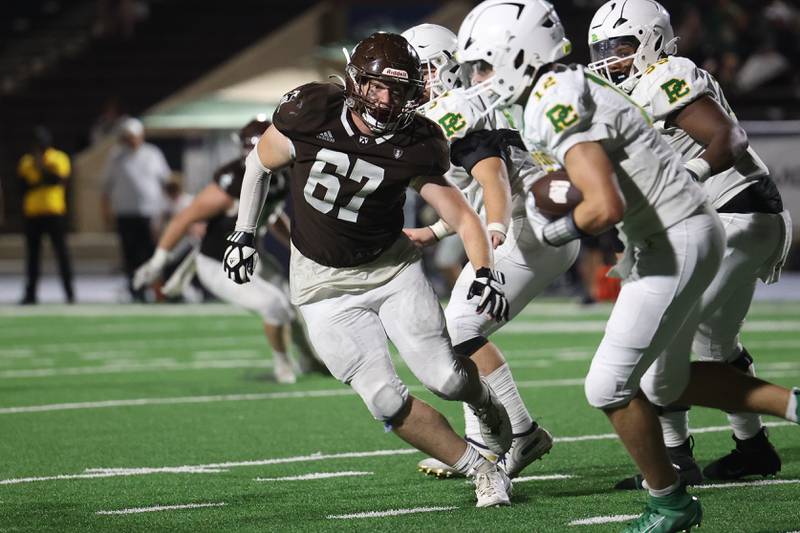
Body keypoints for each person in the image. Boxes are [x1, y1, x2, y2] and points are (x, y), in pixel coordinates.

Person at [457, 1, 799, 531]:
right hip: (675, 230)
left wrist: (555, 227)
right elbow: (605, 179)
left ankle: (671, 500)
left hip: (683, 230)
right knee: (665, 383)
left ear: (519, 54)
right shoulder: (561, 87)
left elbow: (604, 204)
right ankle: (786, 411)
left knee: (608, 386)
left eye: (483, 64)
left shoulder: (555, 97)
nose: (479, 78)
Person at [223, 32, 516, 507]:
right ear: (356, 80)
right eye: (378, 87)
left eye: (398, 91)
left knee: (445, 379)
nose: (386, 100)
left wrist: (484, 269)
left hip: (391, 270)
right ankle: (481, 469)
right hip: (321, 283)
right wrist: (243, 232)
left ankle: (484, 403)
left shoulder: (419, 140)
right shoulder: (310, 111)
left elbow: (462, 214)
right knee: (383, 399)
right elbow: (258, 166)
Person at [588, 0, 792, 488]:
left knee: (660, 353)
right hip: (741, 217)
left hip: (732, 215)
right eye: (602, 49)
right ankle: (754, 448)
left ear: (653, 40)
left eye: (620, 47)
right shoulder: (631, 91)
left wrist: (689, 174)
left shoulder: (665, 74)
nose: (609, 59)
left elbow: (728, 135)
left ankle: (676, 459)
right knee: (715, 342)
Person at [401, 23, 578, 480]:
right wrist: (438, 231)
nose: (406, 82)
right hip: (534, 223)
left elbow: (493, 178)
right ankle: (496, 437)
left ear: (439, 68)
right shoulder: (465, 104)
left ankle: (518, 432)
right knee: (460, 324)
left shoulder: (455, 108)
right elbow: (473, 194)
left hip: (526, 225)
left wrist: (496, 229)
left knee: (460, 325)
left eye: (414, 71)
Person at [133, 117, 325, 384]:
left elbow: (272, 214)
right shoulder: (231, 181)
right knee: (274, 305)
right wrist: (158, 261)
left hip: (251, 255)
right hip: (219, 261)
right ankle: (283, 365)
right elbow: (184, 218)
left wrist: (298, 246)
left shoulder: (281, 174)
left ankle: (308, 359)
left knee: (291, 303)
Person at [101, 117, 170, 301]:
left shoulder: (153, 153)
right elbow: (106, 187)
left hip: (149, 213)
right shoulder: (115, 156)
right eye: (128, 136)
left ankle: (155, 290)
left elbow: (165, 183)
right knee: (130, 254)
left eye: (134, 136)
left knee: (150, 253)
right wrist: (106, 212)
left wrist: (164, 211)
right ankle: (135, 290)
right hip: (125, 213)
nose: (131, 140)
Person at [17, 126, 75, 304]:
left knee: (62, 254)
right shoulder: (26, 162)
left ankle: (69, 292)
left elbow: (57, 180)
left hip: (54, 212)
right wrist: (39, 177)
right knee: (33, 256)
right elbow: (22, 187)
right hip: (33, 214)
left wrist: (41, 168)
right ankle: (30, 293)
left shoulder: (58, 158)